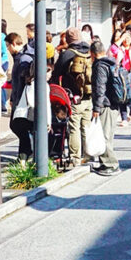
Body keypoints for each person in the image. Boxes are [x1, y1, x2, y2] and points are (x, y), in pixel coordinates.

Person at [55, 28, 93, 166]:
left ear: (68, 40)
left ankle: (75, 157)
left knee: (74, 127)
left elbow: (56, 74)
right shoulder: (89, 51)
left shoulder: (67, 54)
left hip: (73, 97)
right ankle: (89, 154)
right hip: (89, 95)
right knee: (86, 126)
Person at [90, 40, 120, 176]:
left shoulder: (100, 66)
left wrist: (97, 107)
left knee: (104, 135)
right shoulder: (111, 63)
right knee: (107, 135)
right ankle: (105, 163)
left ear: (92, 54)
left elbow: (100, 88)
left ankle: (110, 164)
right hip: (113, 104)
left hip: (105, 105)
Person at [7, 33, 35, 162]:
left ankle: (26, 154)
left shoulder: (23, 58)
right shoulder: (22, 57)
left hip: (23, 98)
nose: (8, 49)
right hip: (21, 97)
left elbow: (21, 80)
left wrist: (16, 98)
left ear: (13, 44)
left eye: (8, 46)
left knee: (18, 125)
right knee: (19, 126)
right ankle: (24, 154)